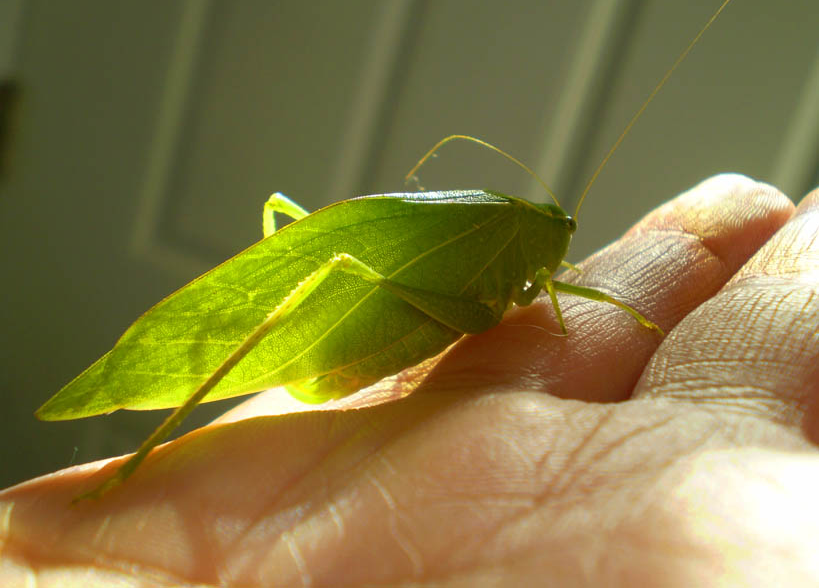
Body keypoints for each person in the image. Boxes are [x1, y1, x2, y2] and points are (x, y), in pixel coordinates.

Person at [2, 174, 818, 586]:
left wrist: (619, 309)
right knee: (324, 243)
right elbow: (523, 299)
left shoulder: (523, 235)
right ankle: (144, 448)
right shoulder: (506, 225)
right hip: (366, 297)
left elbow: (533, 295)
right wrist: (623, 313)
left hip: (388, 324)